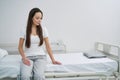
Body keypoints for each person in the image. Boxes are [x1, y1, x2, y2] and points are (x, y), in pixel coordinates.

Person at [18, 8, 61, 80]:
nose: (40, 20)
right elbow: (20, 47)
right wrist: (24, 58)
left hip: (41, 57)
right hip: (28, 57)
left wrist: (53, 60)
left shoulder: (44, 29)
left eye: (41, 18)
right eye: (37, 18)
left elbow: (48, 46)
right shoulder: (24, 30)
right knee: (25, 76)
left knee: (39, 76)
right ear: (31, 18)